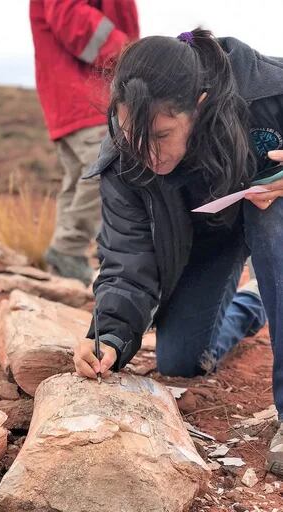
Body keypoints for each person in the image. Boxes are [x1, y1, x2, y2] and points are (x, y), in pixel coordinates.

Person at [71, 28, 283, 473]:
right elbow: (127, 259)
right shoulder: (124, 161)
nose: (146, 152)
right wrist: (110, 335)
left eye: (162, 134)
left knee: (271, 211)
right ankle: (254, 302)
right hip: (208, 245)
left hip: (271, 220)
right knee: (180, 361)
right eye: (133, 134)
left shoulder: (268, 93)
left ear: (200, 106)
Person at [30, 0, 139, 285]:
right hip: (86, 95)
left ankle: (65, 259)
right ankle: (68, 250)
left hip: (73, 96)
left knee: (79, 177)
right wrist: (127, 55)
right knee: (105, 169)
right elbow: (72, 18)